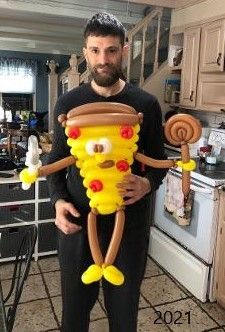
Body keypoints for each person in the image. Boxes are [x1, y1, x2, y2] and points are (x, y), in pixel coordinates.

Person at [47, 12, 167, 332]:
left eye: (111, 50)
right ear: (85, 51)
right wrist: (58, 202)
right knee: (74, 313)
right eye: (96, 50)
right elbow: (56, 161)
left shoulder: (146, 104)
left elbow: (158, 161)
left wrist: (147, 183)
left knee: (124, 312)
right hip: (78, 224)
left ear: (124, 50)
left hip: (128, 226)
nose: (103, 59)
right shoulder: (68, 104)